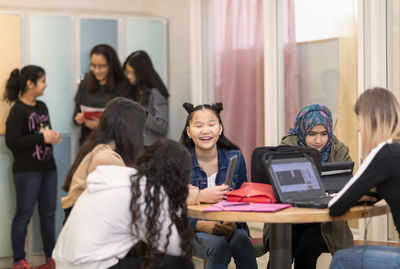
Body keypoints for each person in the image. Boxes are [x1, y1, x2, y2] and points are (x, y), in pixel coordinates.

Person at [53, 139, 194, 269]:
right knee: (178, 263)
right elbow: (172, 246)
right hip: (90, 265)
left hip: (64, 262)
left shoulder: (123, 177)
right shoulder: (146, 191)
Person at [260, 104, 353, 269]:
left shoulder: (339, 151)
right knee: (280, 254)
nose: (318, 140)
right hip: (289, 218)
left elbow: (345, 186)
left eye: (324, 134)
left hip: (324, 222)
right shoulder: (286, 148)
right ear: (302, 131)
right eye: (312, 134)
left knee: (306, 252)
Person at [179, 102, 258, 269]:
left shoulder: (235, 158)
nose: (206, 130)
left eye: (211, 124)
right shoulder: (179, 161)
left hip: (230, 227)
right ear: (188, 132)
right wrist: (203, 225)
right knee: (220, 246)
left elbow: (243, 199)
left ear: (220, 129)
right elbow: (170, 208)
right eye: (198, 125)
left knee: (242, 240)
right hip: (190, 229)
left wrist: (232, 220)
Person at [329, 87, 400, 269]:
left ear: (371, 120)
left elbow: (335, 207)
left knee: (341, 258)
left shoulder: (383, 152)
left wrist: (355, 195)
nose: (358, 128)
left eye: (359, 120)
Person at [4, 65, 61, 269]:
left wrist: (52, 136)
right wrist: (41, 137)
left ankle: (50, 258)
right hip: (27, 171)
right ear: (30, 83)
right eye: (43, 80)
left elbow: (43, 132)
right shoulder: (18, 110)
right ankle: (19, 260)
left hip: (48, 169)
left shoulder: (42, 106)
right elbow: (12, 142)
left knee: (48, 215)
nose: (46, 85)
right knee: (24, 214)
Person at [61, 97, 146, 223]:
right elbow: (123, 203)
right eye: (141, 128)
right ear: (130, 129)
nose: (143, 134)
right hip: (85, 224)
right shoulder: (106, 158)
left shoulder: (100, 147)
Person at [73, 44, 125, 145]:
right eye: (93, 66)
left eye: (102, 66)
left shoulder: (122, 85)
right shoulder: (85, 83)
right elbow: (75, 117)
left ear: (111, 65)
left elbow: (127, 121)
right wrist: (79, 119)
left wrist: (101, 125)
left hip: (113, 145)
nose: (97, 71)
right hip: (88, 143)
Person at [123, 50, 169, 145]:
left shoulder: (156, 92)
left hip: (151, 147)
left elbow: (162, 126)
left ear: (142, 72)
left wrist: (140, 113)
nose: (129, 76)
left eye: (132, 73)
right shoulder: (134, 89)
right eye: (127, 72)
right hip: (135, 145)